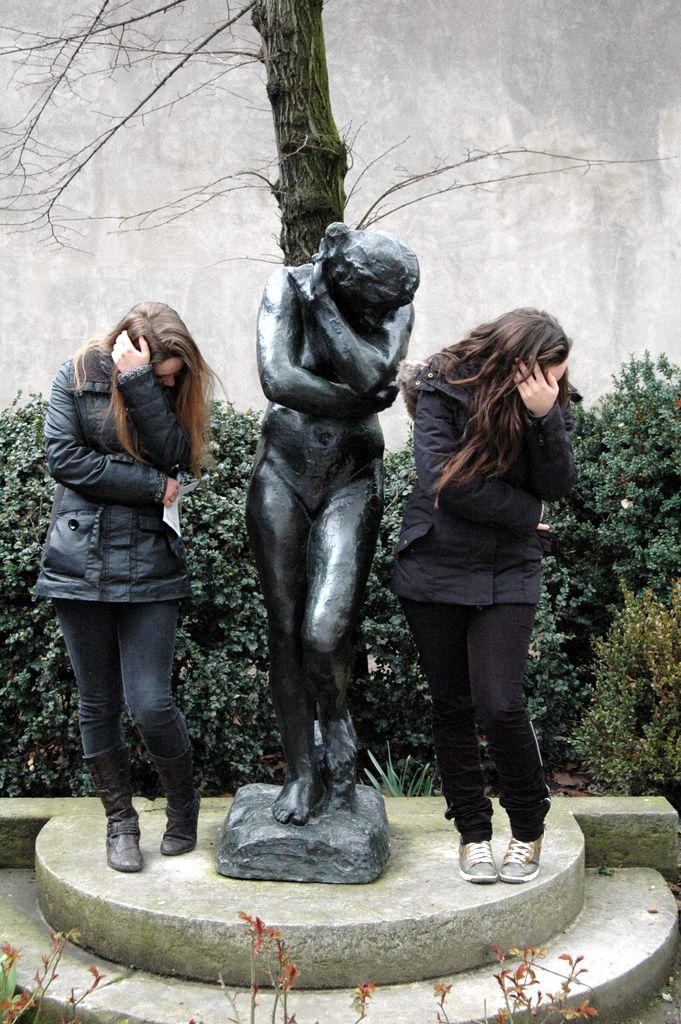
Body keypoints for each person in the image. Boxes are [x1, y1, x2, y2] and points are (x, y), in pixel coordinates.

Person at [392, 308, 576, 885]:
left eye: (559, 377)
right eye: (546, 374)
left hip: (507, 570)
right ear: (516, 360)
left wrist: (545, 419)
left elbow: (558, 483)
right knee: (451, 705)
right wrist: (528, 514)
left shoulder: (548, 400)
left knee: (500, 703)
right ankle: (473, 833)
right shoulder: (442, 383)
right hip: (436, 563)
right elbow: (444, 479)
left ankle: (527, 828)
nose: (554, 383)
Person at [247, 222, 419, 827]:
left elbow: (375, 373)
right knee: (286, 631)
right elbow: (278, 379)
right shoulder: (285, 289)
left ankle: (337, 714)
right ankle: (300, 772)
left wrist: (329, 310)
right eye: (374, 305)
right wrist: (363, 398)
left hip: (351, 477)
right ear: (350, 282)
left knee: (325, 632)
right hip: (283, 475)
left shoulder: (392, 302)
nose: (389, 314)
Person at [35, 301, 216, 873]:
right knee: (97, 703)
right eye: (163, 371)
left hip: (150, 564)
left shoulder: (158, 385)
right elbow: (65, 458)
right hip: (78, 560)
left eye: (172, 376)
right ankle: (120, 822)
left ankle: (183, 806)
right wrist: (146, 485)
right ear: (126, 344)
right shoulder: (77, 373)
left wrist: (142, 383)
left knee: (150, 701)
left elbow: (176, 457)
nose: (171, 381)